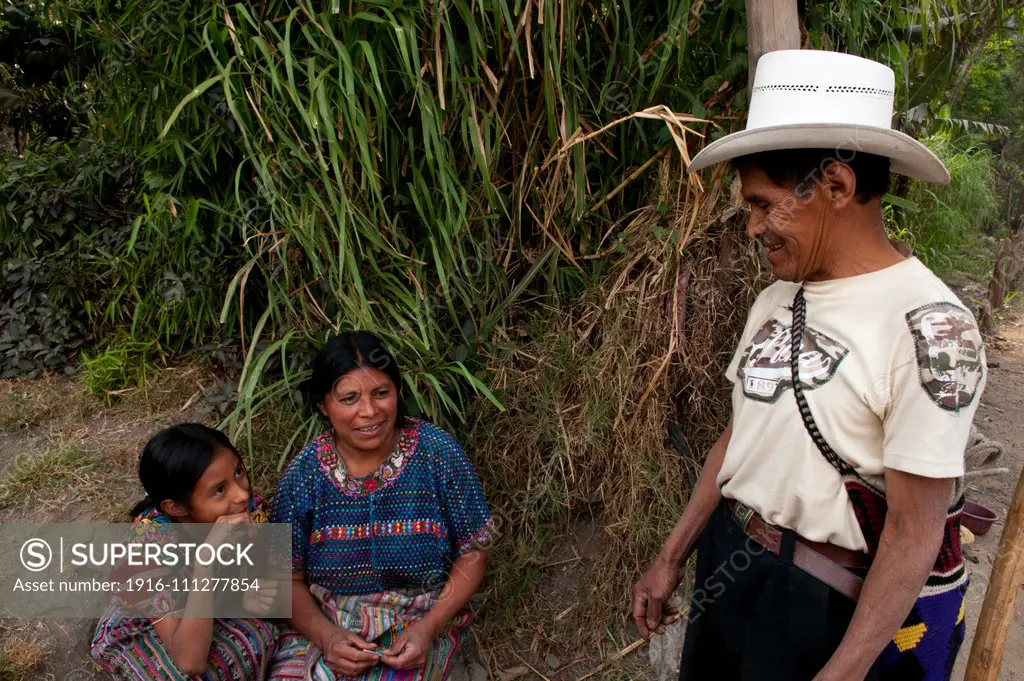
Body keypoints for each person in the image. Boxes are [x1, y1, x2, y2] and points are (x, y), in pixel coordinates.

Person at [633, 50, 986, 681]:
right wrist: (673, 554)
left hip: (819, 600)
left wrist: (844, 671)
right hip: (731, 563)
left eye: (765, 205)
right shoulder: (776, 299)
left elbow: (913, 532)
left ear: (838, 188)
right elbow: (740, 437)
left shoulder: (932, 327)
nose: (752, 227)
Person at [268, 331, 496, 681]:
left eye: (381, 393)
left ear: (398, 392)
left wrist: (429, 627)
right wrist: (326, 637)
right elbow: (285, 578)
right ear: (323, 405)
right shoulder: (304, 475)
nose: (369, 411)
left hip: (418, 617)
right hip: (324, 620)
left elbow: (474, 552)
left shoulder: (438, 455)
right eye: (348, 398)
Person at [90, 424, 278, 680]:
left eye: (238, 472)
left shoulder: (251, 512)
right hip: (151, 627)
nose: (242, 494)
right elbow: (190, 661)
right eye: (219, 490)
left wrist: (246, 596)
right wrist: (205, 562)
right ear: (176, 508)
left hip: (211, 606)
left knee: (261, 636)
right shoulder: (144, 550)